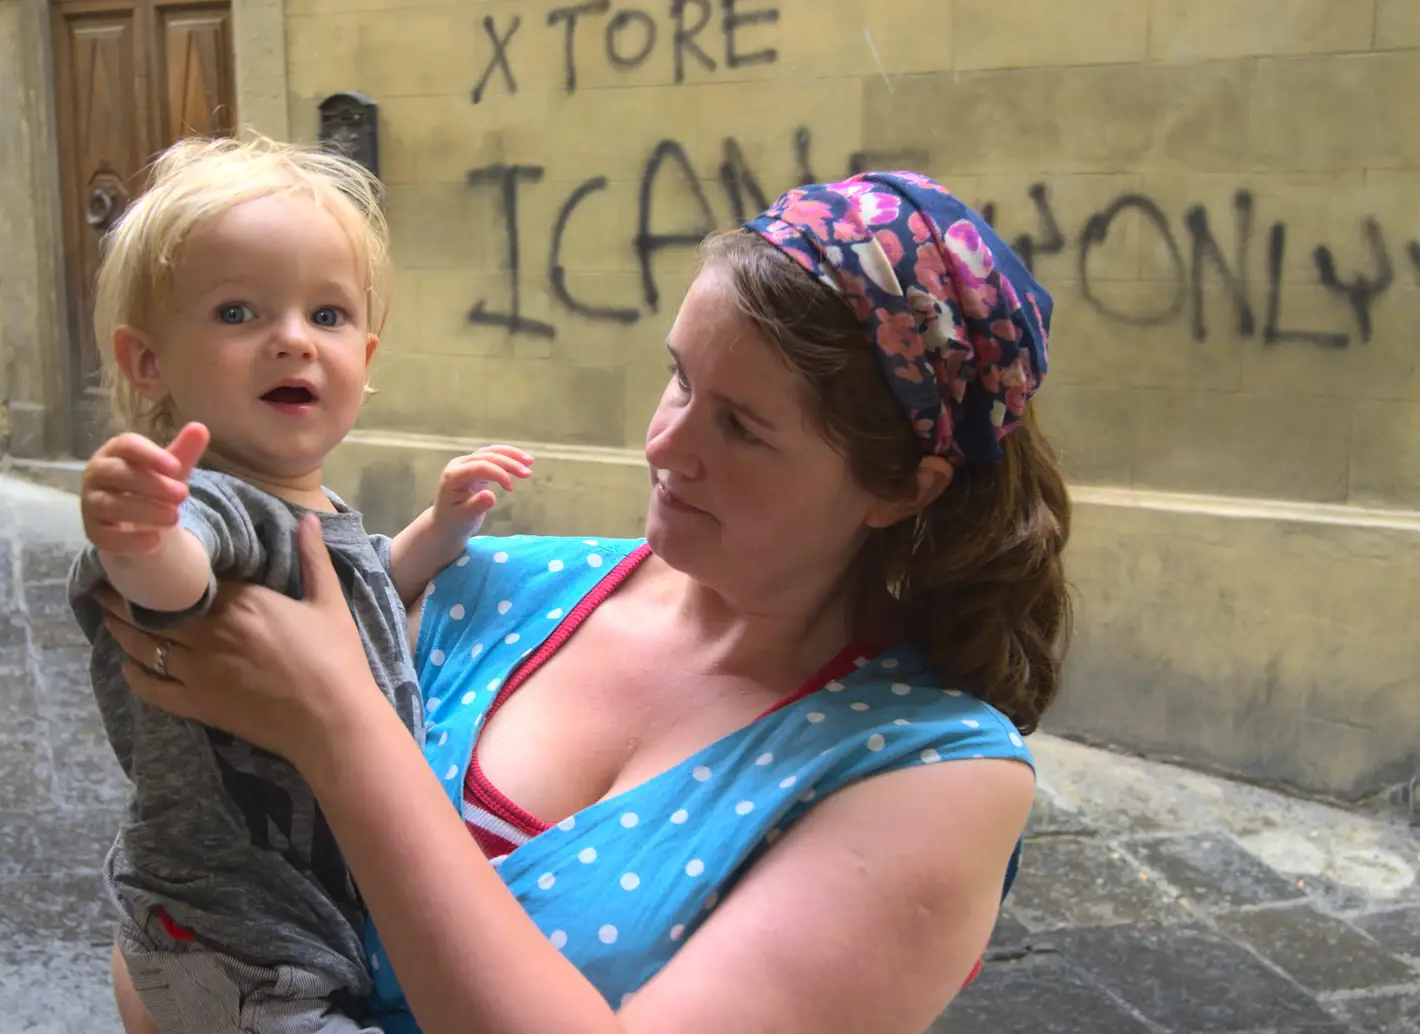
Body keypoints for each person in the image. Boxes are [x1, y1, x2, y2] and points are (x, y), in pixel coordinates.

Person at [97, 171, 1073, 1034]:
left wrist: (339, 728)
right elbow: (203, 877)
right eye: (679, 377)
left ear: (904, 486)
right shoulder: (493, 584)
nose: (665, 445)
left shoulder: (936, 777)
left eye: (740, 427)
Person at [66, 135, 537, 1034]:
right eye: (238, 312)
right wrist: (138, 532)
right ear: (147, 362)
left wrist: (435, 534)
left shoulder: (310, 503)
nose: (292, 339)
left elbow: (351, 603)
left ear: (366, 352)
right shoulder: (212, 499)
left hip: (300, 922)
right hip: (235, 944)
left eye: (325, 316)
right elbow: (178, 586)